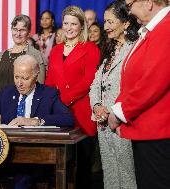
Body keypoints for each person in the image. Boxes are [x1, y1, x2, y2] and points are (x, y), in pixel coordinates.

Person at [0, 54, 74, 189]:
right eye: (16, 77)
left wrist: (36, 121)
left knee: (23, 178)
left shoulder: (48, 94)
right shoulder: (7, 92)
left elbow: (68, 118)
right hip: (6, 155)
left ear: (36, 75)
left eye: (25, 78)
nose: (19, 83)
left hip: (34, 159)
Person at [108, 0, 170, 188]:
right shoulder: (156, 29)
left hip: (158, 135)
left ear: (149, 3)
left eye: (129, 4)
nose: (129, 11)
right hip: (149, 132)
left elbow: (152, 82)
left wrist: (120, 113)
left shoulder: (165, 29)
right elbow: (134, 78)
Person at [45, 6, 100, 189]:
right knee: (60, 168)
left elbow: (89, 81)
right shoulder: (55, 50)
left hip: (81, 114)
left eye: (73, 24)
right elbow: (50, 83)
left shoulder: (90, 48)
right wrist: (50, 105)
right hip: (59, 116)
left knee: (83, 169)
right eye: (66, 23)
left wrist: (64, 100)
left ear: (81, 25)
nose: (69, 27)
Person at [89, 0, 140, 188]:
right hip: (103, 124)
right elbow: (95, 83)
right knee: (110, 175)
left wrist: (111, 111)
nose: (106, 27)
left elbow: (135, 88)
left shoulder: (135, 48)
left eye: (111, 22)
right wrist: (96, 106)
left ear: (126, 23)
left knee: (127, 176)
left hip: (123, 123)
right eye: (105, 22)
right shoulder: (108, 49)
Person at [0, 15, 46, 100]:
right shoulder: (1, 56)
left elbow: (40, 84)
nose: (18, 33)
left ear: (28, 32)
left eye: (22, 30)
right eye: (15, 29)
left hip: (24, 108)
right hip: (1, 108)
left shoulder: (35, 55)